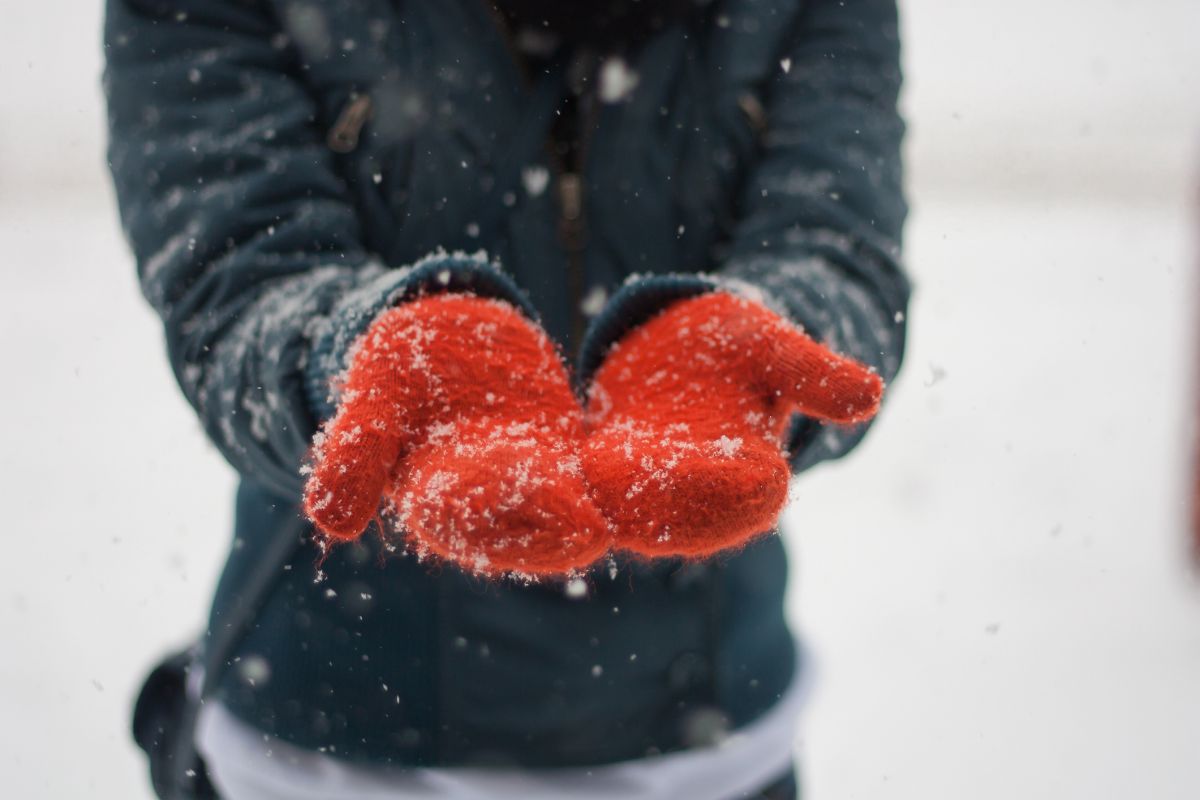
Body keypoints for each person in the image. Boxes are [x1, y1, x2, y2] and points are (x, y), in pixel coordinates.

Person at [105, 1, 910, 798]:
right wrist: (354, 359)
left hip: (705, 743)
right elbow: (238, 278)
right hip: (325, 739)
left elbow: (836, 244)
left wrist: (775, 337)